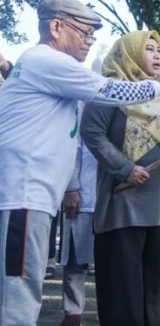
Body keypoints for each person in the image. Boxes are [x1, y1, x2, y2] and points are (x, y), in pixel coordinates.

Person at [0, 0, 160, 324]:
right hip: (23, 196)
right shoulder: (48, 61)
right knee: (18, 299)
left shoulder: (38, 65)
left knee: (20, 291)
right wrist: (156, 86)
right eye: (84, 33)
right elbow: (111, 91)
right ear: (55, 26)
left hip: (30, 197)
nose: (89, 43)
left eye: (92, 36)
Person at [81, 30, 160, 326]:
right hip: (123, 203)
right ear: (129, 53)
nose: (157, 55)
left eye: (159, 50)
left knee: (158, 287)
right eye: (149, 49)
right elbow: (92, 133)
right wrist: (124, 168)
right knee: (123, 288)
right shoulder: (111, 91)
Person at [60, 104, 98, 326]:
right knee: (75, 260)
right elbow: (73, 145)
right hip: (81, 194)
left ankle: (110, 310)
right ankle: (72, 313)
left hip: (113, 196)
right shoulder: (80, 104)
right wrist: (71, 187)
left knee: (111, 262)